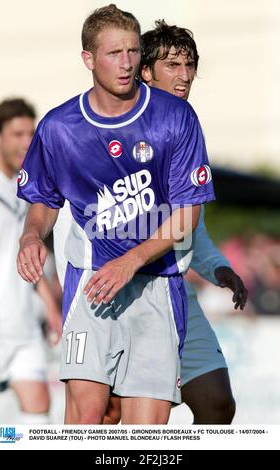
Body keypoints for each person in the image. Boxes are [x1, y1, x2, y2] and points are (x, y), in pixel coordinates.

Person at [17, 4, 215, 425]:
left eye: (132, 52)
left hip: (158, 287)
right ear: (88, 58)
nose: (126, 64)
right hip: (89, 284)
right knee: (86, 421)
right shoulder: (58, 127)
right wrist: (32, 236)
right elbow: (43, 199)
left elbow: (187, 216)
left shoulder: (175, 117)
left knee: (145, 435)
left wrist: (130, 261)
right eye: (114, 54)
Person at [103, 20, 248, 425]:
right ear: (145, 71)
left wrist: (218, 267)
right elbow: (85, 212)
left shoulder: (187, 127)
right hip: (120, 293)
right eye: (172, 65)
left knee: (218, 404)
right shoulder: (114, 124)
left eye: (190, 65)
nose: (184, 76)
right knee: (117, 416)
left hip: (174, 291)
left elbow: (190, 224)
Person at [0, 98, 62, 424]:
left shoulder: (28, 190)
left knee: (38, 418)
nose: (26, 143)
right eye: (17, 134)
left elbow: (28, 259)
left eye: (30, 135)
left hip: (23, 328)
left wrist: (51, 308)